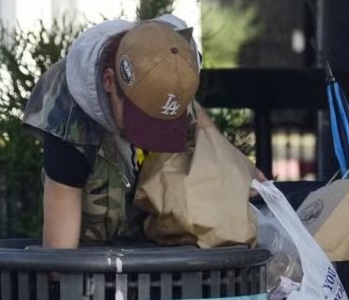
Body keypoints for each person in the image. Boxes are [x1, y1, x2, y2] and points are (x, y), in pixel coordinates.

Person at [23, 15, 245, 249]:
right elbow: (60, 258)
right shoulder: (67, 121)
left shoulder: (175, 60)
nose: (150, 138)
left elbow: (194, 113)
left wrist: (231, 161)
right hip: (94, 262)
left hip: (160, 252)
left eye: (163, 123)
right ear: (109, 81)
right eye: (142, 120)